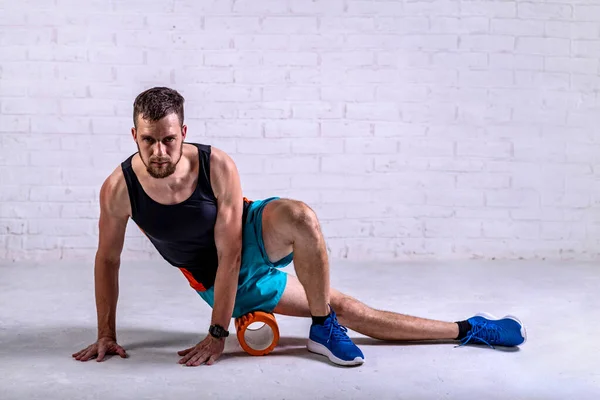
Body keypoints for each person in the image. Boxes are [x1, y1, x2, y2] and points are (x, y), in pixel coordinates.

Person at [72, 87, 527, 367]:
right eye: (148, 140)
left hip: (243, 239)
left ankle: (322, 328)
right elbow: (107, 260)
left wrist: (217, 337)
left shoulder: (216, 165)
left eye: (168, 139)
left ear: (183, 132)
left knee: (301, 216)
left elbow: (233, 249)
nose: (159, 152)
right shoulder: (119, 189)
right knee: (353, 310)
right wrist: (107, 334)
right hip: (215, 279)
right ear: (134, 135)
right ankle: (469, 328)